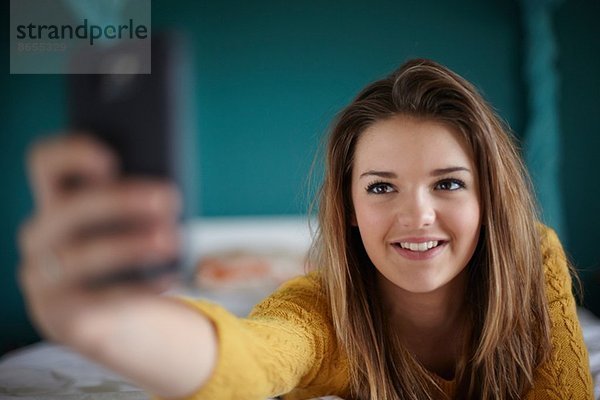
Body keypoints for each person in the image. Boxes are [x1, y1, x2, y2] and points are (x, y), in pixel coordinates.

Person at [18, 59, 593, 400]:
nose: (417, 215)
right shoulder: (317, 311)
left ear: (489, 199)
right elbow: (250, 357)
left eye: (447, 184)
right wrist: (111, 326)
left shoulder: (533, 256)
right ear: (346, 207)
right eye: (380, 186)